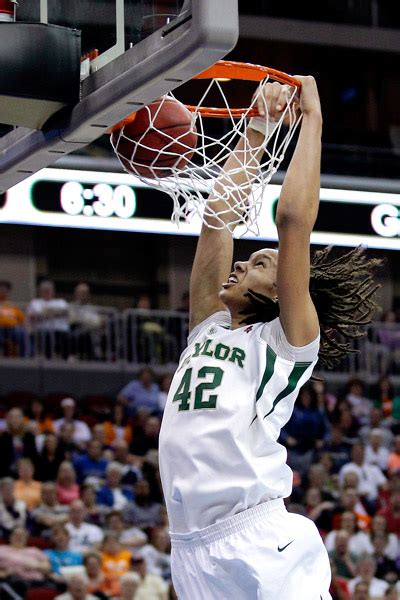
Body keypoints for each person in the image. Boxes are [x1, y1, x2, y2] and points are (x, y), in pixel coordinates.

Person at [158, 76, 382, 599]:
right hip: (190, 548)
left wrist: (312, 122)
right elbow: (218, 223)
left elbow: (292, 222)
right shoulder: (208, 327)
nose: (241, 263)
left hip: (258, 539)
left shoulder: (286, 343)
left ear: (283, 293)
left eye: (259, 265)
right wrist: (256, 130)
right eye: (253, 259)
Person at [27, 279, 70, 359]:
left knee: (68, 336)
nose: (47, 292)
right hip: (42, 330)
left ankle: (66, 359)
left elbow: (65, 312)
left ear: (53, 291)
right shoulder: (35, 302)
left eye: (49, 290)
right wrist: (53, 313)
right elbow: (32, 316)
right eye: (45, 291)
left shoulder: (61, 302)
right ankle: (48, 358)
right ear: (40, 292)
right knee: (47, 336)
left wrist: (46, 313)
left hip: (60, 330)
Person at [0, 280, 26, 356]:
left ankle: (24, 357)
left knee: (22, 332)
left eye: (5, 291)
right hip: (0, 328)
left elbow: (22, 320)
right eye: (1, 290)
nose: (3, 292)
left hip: (13, 329)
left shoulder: (12, 306)